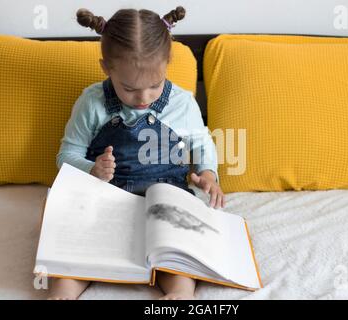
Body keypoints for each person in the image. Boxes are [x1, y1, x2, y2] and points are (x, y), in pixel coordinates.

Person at [48, 6, 225, 300]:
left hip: (164, 199)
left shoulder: (182, 103)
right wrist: (91, 168)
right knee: (74, 251)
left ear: (167, 63)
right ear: (107, 68)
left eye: (154, 86)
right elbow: (66, 154)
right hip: (105, 198)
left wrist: (208, 173)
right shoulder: (92, 103)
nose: (143, 99)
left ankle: (180, 293)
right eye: (129, 89)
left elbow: (202, 143)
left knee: (178, 250)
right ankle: (62, 294)